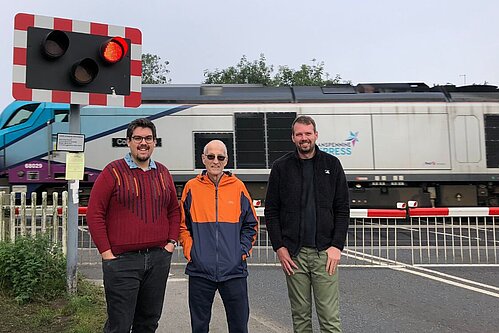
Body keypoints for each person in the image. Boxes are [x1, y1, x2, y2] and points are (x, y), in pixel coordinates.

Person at [87, 118, 181, 333]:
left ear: (154, 142)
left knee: (148, 323)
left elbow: (174, 210)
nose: (143, 143)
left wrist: (170, 243)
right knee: (119, 325)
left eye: (148, 138)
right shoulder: (112, 172)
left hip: (158, 259)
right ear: (128, 142)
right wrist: (106, 253)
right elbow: (95, 213)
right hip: (122, 262)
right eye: (137, 138)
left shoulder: (164, 173)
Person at [264, 115, 350, 333]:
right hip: (294, 256)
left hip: (325, 254)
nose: (304, 138)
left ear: (316, 135)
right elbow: (271, 211)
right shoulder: (281, 167)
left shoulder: (332, 164)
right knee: (300, 320)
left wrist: (336, 246)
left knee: (330, 321)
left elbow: (342, 209)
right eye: (299, 134)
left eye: (308, 133)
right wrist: (279, 248)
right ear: (293, 138)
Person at [179, 139, 258, 333]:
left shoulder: (238, 187)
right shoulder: (191, 187)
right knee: (199, 327)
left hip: (234, 270)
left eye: (220, 157)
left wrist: (240, 253)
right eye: (211, 156)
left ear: (226, 160)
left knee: (239, 326)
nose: (216, 161)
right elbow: (182, 226)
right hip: (200, 271)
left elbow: (251, 224)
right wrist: (192, 252)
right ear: (203, 159)